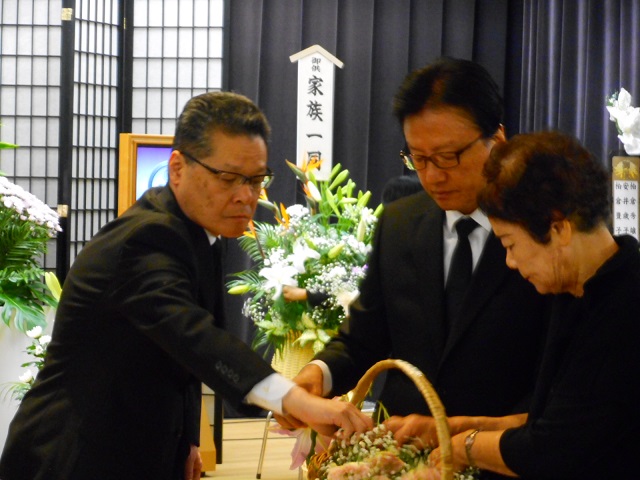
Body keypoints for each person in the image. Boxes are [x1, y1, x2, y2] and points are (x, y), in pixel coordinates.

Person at [0, 92, 372, 480]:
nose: (246, 196)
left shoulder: (199, 228)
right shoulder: (147, 238)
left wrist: (188, 438)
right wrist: (294, 400)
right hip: (73, 453)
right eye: (228, 178)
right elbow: (193, 336)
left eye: (257, 180)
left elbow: (177, 353)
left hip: (139, 444)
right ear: (177, 167)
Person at [289, 58, 550, 442]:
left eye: (448, 157)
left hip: (505, 451)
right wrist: (318, 373)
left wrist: (474, 436)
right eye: (418, 158)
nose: (432, 176)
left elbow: (554, 371)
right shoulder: (399, 222)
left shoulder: (539, 230)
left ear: (497, 141)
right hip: (400, 451)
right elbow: (365, 336)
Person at [389, 131, 640, 479]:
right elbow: (549, 418)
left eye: (510, 243)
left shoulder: (624, 309)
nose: (509, 261)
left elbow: (554, 449)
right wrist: (449, 428)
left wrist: (462, 447)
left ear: (558, 228)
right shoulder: (573, 293)